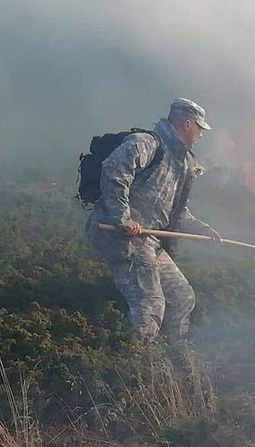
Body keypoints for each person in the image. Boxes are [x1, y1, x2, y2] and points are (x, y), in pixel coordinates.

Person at [86, 98, 222, 341]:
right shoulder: (147, 144)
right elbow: (114, 171)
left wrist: (201, 229)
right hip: (122, 239)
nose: (201, 135)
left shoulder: (184, 163)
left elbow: (178, 213)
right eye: (200, 128)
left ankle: (172, 355)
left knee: (182, 297)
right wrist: (122, 218)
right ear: (187, 124)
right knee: (150, 305)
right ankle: (137, 364)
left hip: (148, 242)